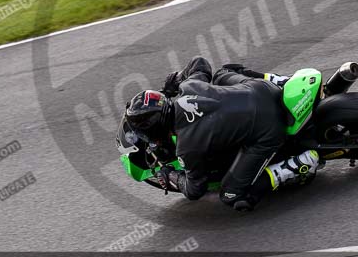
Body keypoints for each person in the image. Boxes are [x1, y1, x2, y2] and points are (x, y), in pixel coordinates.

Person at [124, 56, 319, 211]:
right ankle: (282, 81)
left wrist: (171, 176)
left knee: (230, 195)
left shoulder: (187, 145)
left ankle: (297, 165)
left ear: (156, 129)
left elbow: (194, 190)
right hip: (264, 89)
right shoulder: (189, 86)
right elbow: (199, 63)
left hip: (268, 131)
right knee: (222, 73)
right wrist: (174, 83)